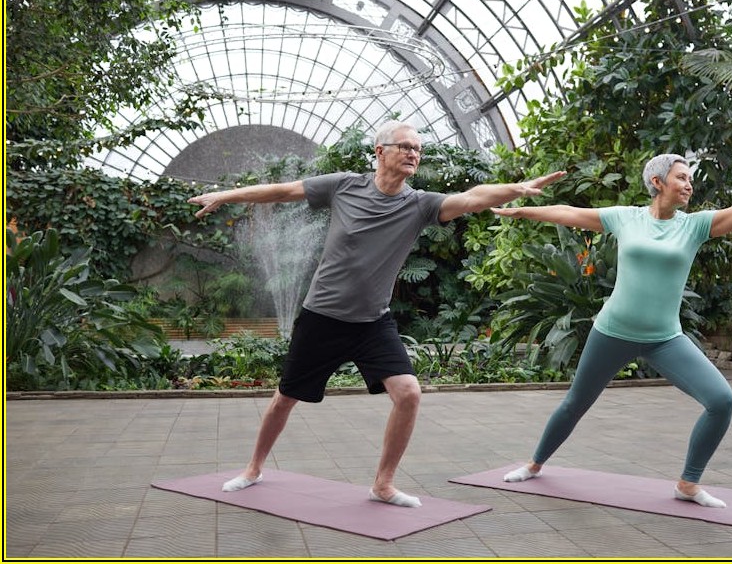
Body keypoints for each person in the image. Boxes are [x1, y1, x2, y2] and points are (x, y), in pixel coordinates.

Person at [188, 120, 565, 508]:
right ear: (380, 151)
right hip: (322, 317)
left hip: (372, 322)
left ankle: (383, 484)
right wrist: (228, 196)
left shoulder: (419, 204)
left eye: (417, 149)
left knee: (409, 394)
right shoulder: (345, 185)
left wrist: (518, 189)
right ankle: (253, 468)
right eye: (404, 146)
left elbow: (471, 197)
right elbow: (284, 191)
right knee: (285, 397)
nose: (413, 154)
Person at [492, 154, 732, 508]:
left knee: (721, 401)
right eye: (681, 177)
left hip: (664, 338)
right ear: (657, 182)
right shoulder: (626, 218)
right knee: (576, 403)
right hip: (612, 331)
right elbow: (570, 214)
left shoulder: (695, 225)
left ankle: (688, 483)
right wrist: (523, 209)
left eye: (690, 179)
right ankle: (535, 464)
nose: (689, 185)